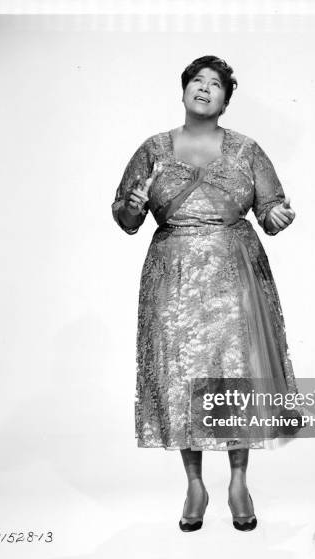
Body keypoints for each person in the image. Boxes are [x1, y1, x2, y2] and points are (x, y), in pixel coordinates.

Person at [111, 56, 296, 532]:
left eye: (216, 84)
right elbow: (127, 219)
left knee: (234, 371)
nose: (205, 88)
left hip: (234, 273)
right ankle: (194, 482)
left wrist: (276, 218)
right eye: (198, 80)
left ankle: (238, 480)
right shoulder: (152, 149)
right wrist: (130, 208)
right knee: (181, 372)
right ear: (184, 91)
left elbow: (271, 209)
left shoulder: (247, 149)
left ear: (225, 100)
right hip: (172, 274)